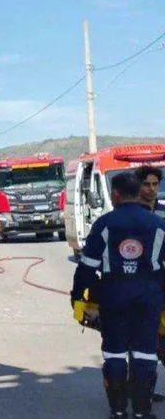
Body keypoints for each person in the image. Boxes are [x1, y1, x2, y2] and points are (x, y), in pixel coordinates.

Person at [71, 172, 165, 419]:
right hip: (149, 296)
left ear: (115, 194)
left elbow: (87, 267)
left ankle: (119, 410)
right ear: (139, 192)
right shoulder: (159, 224)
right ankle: (143, 412)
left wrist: (78, 296)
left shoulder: (104, 224)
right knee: (146, 353)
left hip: (113, 295)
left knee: (114, 353)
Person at [134, 166, 165, 404]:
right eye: (147, 184)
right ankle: (141, 392)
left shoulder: (164, 213)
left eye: (155, 184)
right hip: (138, 287)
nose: (151, 189)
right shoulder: (129, 214)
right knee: (144, 344)